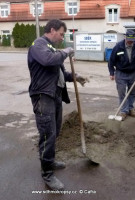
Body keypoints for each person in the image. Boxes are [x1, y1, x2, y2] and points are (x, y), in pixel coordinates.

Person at [28, 19, 88, 190]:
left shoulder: (51, 48)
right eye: (61, 34)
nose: (62, 37)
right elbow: (48, 61)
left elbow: (58, 70)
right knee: (48, 133)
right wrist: (66, 51)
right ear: (52, 30)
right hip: (43, 96)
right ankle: (47, 174)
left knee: (55, 131)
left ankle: (50, 160)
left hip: (54, 95)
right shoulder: (38, 44)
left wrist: (74, 76)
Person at [108, 29, 135, 121]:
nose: (130, 42)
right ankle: (124, 111)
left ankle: (130, 108)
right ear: (125, 37)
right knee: (122, 93)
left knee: (133, 92)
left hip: (133, 72)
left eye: (132, 40)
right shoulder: (118, 46)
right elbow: (111, 61)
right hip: (121, 72)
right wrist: (111, 73)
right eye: (128, 40)